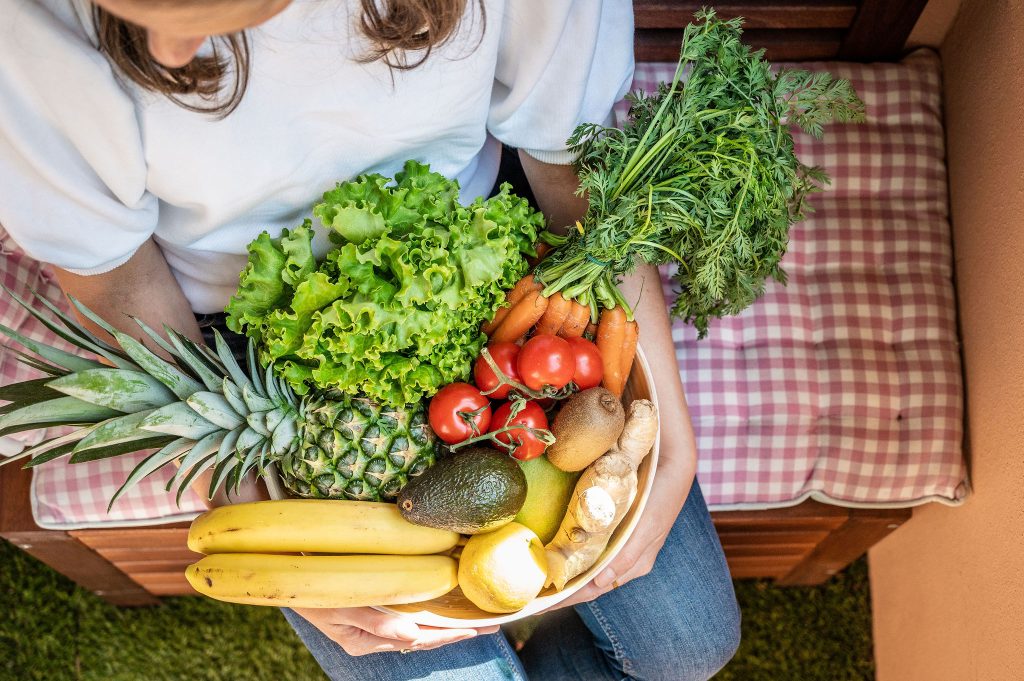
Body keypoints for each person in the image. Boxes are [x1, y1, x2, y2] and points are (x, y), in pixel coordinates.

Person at [0, 1, 740, 678]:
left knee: (690, 646)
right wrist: (252, 517)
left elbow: (574, 164)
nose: (163, 53)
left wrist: (669, 436)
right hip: (246, 344)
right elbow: (110, 272)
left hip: (475, 275)